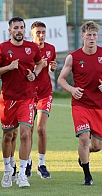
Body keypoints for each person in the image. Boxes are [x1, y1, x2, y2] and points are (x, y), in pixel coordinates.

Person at [57, 21, 102, 186]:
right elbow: (61, 79)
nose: (92, 38)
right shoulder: (73, 56)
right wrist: (72, 89)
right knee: (84, 139)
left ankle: (83, 155)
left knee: (97, 146)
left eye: (94, 35)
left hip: (99, 105)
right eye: (89, 35)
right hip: (80, 104)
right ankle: (87, 176)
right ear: (83, 35)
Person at [0, 16, 46, 188]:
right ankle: (7, 170)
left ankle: (22, 173)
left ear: (24, 30)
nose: (19, 30)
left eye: (21, 27)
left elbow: (40, 63)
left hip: (27, 98)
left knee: (25, 134)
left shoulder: (32, 47)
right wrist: (8, 68)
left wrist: (34, 74)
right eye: (16, 28)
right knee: (7, 136)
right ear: (10, 31)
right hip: (8, 98)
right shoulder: (2, 48)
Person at [27, 21, 57, 179]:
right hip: (29, 93)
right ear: (32, 34)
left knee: (41, 129)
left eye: (43, 32)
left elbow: (51, 67)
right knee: (28, 130)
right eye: (38, 32)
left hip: (45, 93)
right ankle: (28, 162)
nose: (41, 35)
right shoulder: (27, 50)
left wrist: (52, 67)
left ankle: (42, 163)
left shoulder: (51, 49)